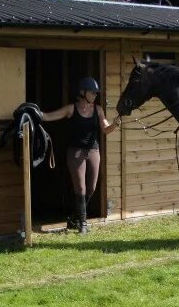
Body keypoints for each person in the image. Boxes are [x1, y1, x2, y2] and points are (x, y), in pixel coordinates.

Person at [39, 76, 120, 234]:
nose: (95, 95)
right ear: (83, 92)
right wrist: (34, 112)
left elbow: (105, 130)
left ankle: (75, 218)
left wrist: (115, 125)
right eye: (93, 92)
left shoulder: (98, 110)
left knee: (91, 188)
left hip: (93, 151)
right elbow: (49, 116)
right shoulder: (71, 109)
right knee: (81, 188)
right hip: (75, 152)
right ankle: (83, 224)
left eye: (96, 93)